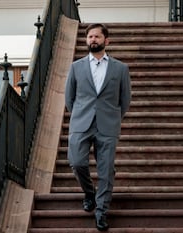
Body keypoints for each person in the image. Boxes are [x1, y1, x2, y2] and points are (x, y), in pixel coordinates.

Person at [64, 23, 132, 231]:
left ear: (106, 41)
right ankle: (89, 193)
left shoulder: (120, 69)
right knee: (76, 162)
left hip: (108, 126)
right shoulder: (76, 67)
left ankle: (101, 211)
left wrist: (113, 118)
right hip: (81, 123)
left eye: (97, 36)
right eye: (90, 36)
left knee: (105, 172)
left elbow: (125, 99)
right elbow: (70, 98)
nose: (93, 39)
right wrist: (79, 115)